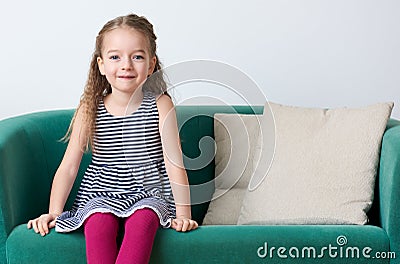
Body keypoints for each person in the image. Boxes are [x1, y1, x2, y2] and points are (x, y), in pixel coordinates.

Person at [27, 13, 198, 263]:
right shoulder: (90, 108)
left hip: (148, 192)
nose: (126, 65)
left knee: (143, 220)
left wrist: (184, 214)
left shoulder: (161, 105)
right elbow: (69, 166)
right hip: (100, 193)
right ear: (101, 65)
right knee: (98, 224)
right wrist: (54, 212)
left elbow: (174, 164)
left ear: (150, 65)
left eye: (137, 57)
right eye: (115, 57)